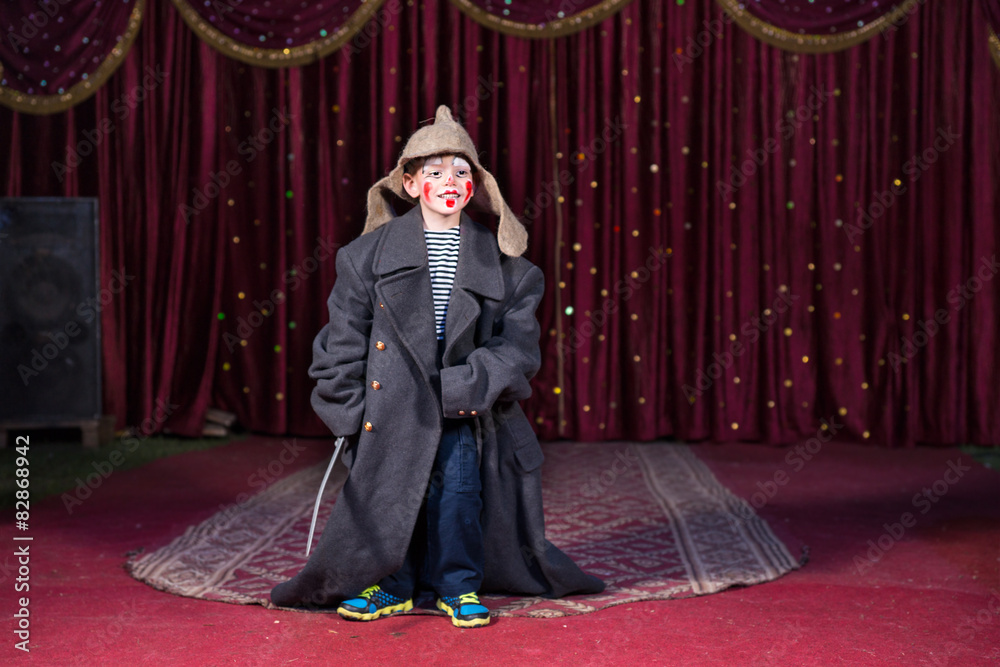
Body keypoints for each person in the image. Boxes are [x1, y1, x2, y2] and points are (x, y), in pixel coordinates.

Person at [270, 105, 603, 628]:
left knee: (458, 494)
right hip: (389, 406)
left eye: (462, 171)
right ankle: (391, 585)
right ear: (409, 183)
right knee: (388, 496)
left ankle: (458, 585)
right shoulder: (364, 258)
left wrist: (463, 387)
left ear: (476, 186)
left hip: (460, 404)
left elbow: (518, 350)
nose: (450, 180)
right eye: (435, 170)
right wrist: (350, 413)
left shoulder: (513, 272)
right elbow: (341, 341)